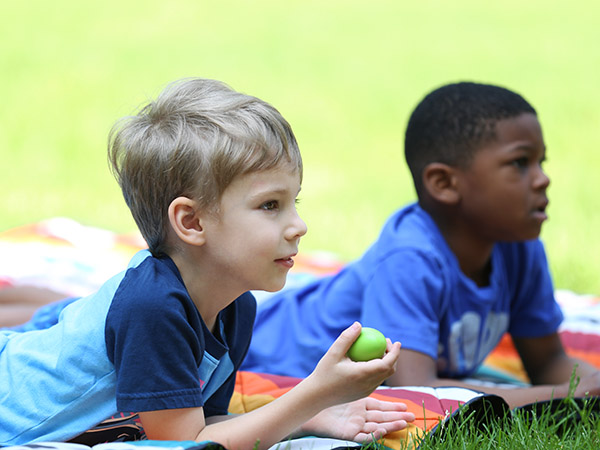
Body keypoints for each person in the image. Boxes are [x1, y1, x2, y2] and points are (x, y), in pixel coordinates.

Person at [0, 78, 415, 448]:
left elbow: (204, 425)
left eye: (294, 201)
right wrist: (314, 394)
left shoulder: (235, 305)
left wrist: (311, 417)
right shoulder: (152, 308)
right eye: (270, 205)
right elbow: (187, 446)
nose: (299, 226)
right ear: (192, 222)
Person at [241, 81, 600, 409]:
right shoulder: (411, 257)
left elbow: (549, 362)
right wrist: (564, 398)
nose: (543, 179)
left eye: (542, 161)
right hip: (263, 348)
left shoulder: (519, 246)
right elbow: (417, 391)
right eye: (520, 163)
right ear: (444, 183)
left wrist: (588, 387)